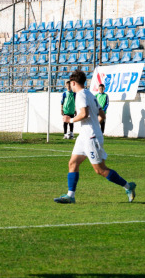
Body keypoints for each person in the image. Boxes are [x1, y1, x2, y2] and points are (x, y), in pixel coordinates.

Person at [54, 70, 136, 204]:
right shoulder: (90, 94)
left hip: (91, 137)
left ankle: (128, 186)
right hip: (85, 135)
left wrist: (70, 120)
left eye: (71, 83)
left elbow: (84, 114)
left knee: (100, 170)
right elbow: (102, 115)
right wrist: (94, 126)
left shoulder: (80, 95)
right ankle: (70, 196)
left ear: (73, 83)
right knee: (73, 163)